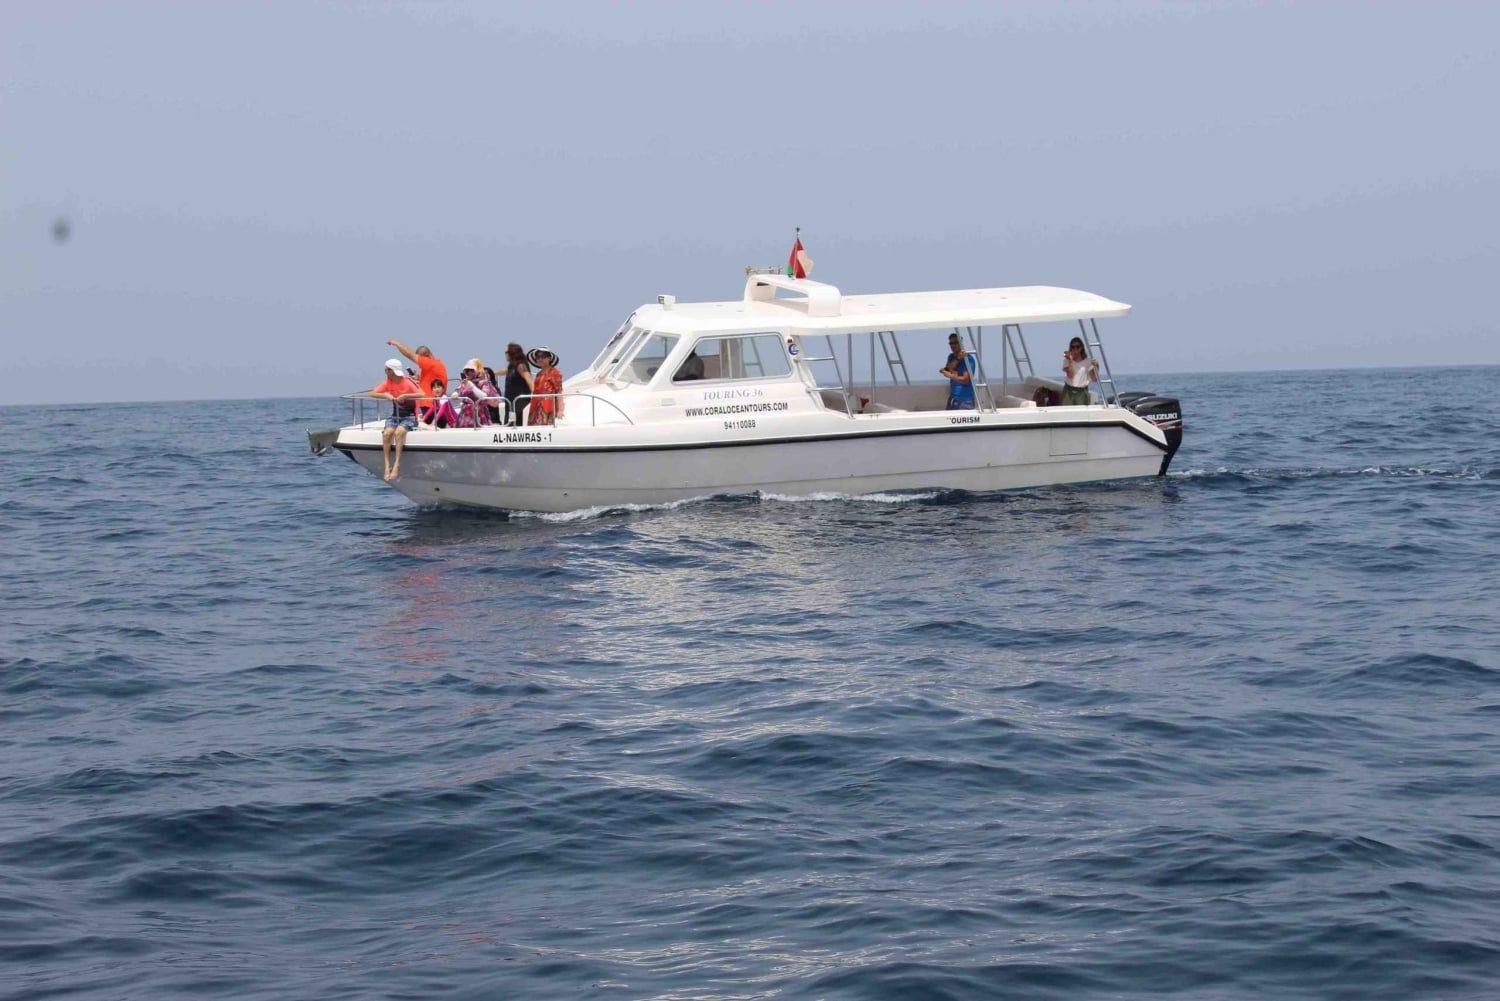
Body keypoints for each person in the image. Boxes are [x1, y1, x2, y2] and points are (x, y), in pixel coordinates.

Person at [369, 358, 421, 481]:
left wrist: (406, 395)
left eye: (387, 370)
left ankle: (397, 465)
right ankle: (387, 467)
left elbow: (421, 394)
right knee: (387, 434)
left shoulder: (407, 382)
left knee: (399, 433)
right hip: (395, 416)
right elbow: (372, 393)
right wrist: (385, 395)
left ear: (392, 371)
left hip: (409, 416)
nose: (386, 372)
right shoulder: (388, 382)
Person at [387, 339, 448, 413]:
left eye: (420, 358)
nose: (419, 362)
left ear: (427, 355)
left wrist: (396, 343)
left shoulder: (430, 363)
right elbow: (434, 380)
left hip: (430, 404)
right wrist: (419, 379)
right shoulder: (437, 364)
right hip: (436, 404)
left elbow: (409, 354)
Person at [528, 346, 563, 425]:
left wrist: (560, 410)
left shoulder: (555, 372)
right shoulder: (538, 374)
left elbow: (559, 391)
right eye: (538, 357)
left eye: (543, 356)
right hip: (535, 408)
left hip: (548, 407)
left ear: (549, 358)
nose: (540, 359)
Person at [940, 333, 976, 410]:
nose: (953, 345)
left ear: (960, 343)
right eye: (951, 343)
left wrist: (950, 375)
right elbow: (947, 369)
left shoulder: (968, 359)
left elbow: (965, 380)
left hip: (965, 401)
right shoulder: (951, 357)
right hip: (952, 399)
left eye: (955, 343)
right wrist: (958, 358)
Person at [1062, 336, 1099, 406]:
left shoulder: (1088, 361)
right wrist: (1070, 361)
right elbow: (1070, 375)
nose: (1075, 349)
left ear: (1081, 348)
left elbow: (1094, 379)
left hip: (1082, 392)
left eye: (1077, 347)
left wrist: (1096, 366)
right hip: (1069, 390)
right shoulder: (1066, 360)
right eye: (1073, 347)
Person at [503, 342, 533, 426]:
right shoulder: (511, 366)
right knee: (508, 424)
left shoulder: (521, 366)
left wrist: (536, 396)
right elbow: (504, 371)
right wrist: (489, 372)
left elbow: (529, 381)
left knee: (516, 424)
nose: (505, 354)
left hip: (520, 403)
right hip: (510, 402)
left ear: (512, 353)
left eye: (506, 352)